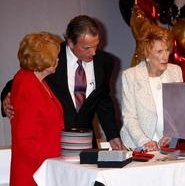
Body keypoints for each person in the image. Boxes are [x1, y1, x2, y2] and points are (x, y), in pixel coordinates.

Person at [1, 15, 122, 150]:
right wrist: (7, 97)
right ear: (70, 42)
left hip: (86, 144)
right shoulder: (52, 56)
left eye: (96, 46)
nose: (93, 52)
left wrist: (113, 135)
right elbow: (21, 80)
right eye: (87, 47)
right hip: (52, 142)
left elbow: (103, 100)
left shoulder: (105, 62)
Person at [10, 32, 64, 186]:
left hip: (43, 168)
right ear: (43, 60)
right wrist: (56, 158)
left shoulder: (36, 80)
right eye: (54, 57)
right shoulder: (27, 85)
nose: (58, 60)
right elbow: (24, 140)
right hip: (33, 172)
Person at [120, 24, 183, 151]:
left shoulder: (175, 71)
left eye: (167, 50)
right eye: (159, 51)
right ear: (147, 54)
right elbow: (129, 117)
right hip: (137, 144)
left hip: (169, 144)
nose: (165, 56)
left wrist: (173, 134)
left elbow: (181, 111)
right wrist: (145, 141)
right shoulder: (131, 75)